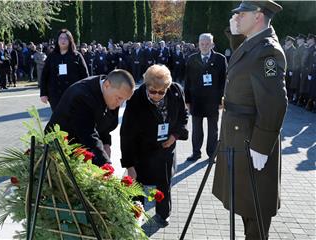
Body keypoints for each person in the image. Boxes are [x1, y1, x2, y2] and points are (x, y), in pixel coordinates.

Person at [212, 1, 288, 239]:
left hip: (251, 138)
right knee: (244, 200)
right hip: (238, 135)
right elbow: (245, 63)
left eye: (241, 14)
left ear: (258, 16)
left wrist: (262, 145)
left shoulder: (268, 51)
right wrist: (235, 36)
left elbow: (275, 101)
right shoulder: (253, 44)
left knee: (256, 206)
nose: (236, 18)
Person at [120, 65, 188, 227]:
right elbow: (127, 134)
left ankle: (163, 214)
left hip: (166, 147)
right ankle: (135, 217)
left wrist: (174, 136)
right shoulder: (136, 98)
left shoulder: (175, 91)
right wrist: (128, 164)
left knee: (164, 182)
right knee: (137, 184)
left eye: (161, 92)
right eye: (152, 91)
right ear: (146, 86)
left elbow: (183, 117)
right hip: (142, 150)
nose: (157, 95)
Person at [46, 69, 135, 167]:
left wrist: (106, 143)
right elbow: (88, 135)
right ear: (106, 85)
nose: (120, 104)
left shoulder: (112, 93)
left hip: (81, 148)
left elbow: (106, 123)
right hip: (59, 150)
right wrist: (105, 165)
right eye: (119, 98)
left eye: (124, 100)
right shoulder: (81, 96)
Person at [184, 33, 227, 162]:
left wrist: (222, 99)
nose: (204, 46)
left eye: (207, 43)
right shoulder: (192, 59)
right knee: (196, 129)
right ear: (198, 44)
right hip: (196, 101)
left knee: (213, 129)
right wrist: (187, 100)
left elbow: (224, 81)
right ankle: (196, 153)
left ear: (212, 44)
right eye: (202, 43)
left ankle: (212, 154)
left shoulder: (220, 59)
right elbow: (188, 81)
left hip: (213, 101)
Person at [40, 29, 89, 111]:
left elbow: (85, 76)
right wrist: (43, 94)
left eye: (66, 38)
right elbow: (44, 75)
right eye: (61, 38)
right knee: (58, 120)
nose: (63, 40)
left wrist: (85, 93)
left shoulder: (77, 56)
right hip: (55, 95)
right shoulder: (52, 56)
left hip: (74, 94)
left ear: (70, 40)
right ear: (57, 40)